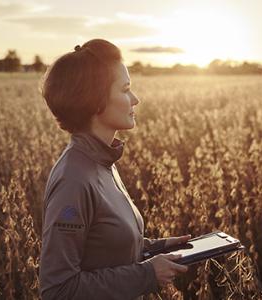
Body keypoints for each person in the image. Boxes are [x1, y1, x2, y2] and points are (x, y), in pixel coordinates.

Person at [38, 38, 191, 300]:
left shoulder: (101, 160)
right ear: (95, 100)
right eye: (125, 89)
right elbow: (58, 290)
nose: (136, 99)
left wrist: (155, 249)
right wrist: (147, 274)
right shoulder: (73, 179)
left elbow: (101, 249)